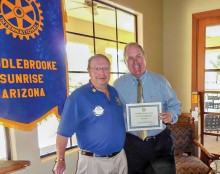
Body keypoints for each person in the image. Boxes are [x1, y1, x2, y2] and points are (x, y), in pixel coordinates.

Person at [113, 42, 181, 174]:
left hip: (160, 143)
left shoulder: (161, 81)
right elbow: (115, 113)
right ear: (125, 62)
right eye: (130, 58)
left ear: (144, 58)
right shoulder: (118, 85)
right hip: (133, 145)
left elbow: (176, 105)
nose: (135, 61)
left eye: (138, 56)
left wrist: (171, 115)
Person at [53, 54, 127, 174]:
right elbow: (63, 133)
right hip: (93, 162)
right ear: (89, 71)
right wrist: (60, 159)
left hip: (119, 159)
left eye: (106, 68)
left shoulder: (114, 92)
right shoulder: (78, 97)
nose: (102, 73)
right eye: (97, 68)